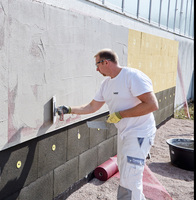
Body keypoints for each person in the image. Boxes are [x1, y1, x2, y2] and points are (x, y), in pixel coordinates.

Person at [57, 48, 159, 200]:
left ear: (106, 62)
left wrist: (120, 114)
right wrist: (69, 109)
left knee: (131, 175)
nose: (96, 69)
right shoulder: (106, 84)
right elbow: (91, 107)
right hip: (124, 133)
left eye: (98, 65)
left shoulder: (132, 76)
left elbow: (152, 105)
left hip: (140, 133)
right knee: (126, 171)